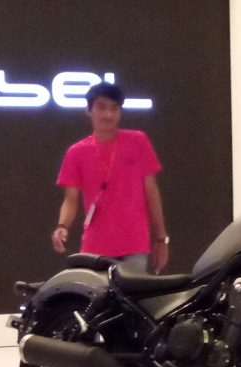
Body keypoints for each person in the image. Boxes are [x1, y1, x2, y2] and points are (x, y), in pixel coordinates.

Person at [50, 82, 169, 274]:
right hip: (95, 248)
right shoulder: (76, 152)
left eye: (114, 108)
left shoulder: (137, 141)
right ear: (89, 110)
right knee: (96, 293)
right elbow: (71, 199)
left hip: (134, 244)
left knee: (132, 293)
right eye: (101, 107)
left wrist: (161, 239)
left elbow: (151, 192)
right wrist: (62, 226)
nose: (108, 114)